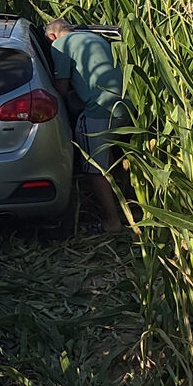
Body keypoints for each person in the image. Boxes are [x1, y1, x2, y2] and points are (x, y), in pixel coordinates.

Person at [45, 18, 132, 233]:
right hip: (126, 105)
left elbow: (61, 89)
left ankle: (112, 222)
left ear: (52, 36)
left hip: (99, 109)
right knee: (114, 158)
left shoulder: (59, 45)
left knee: (95, 168)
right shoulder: (96, 38)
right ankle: (132, 209)